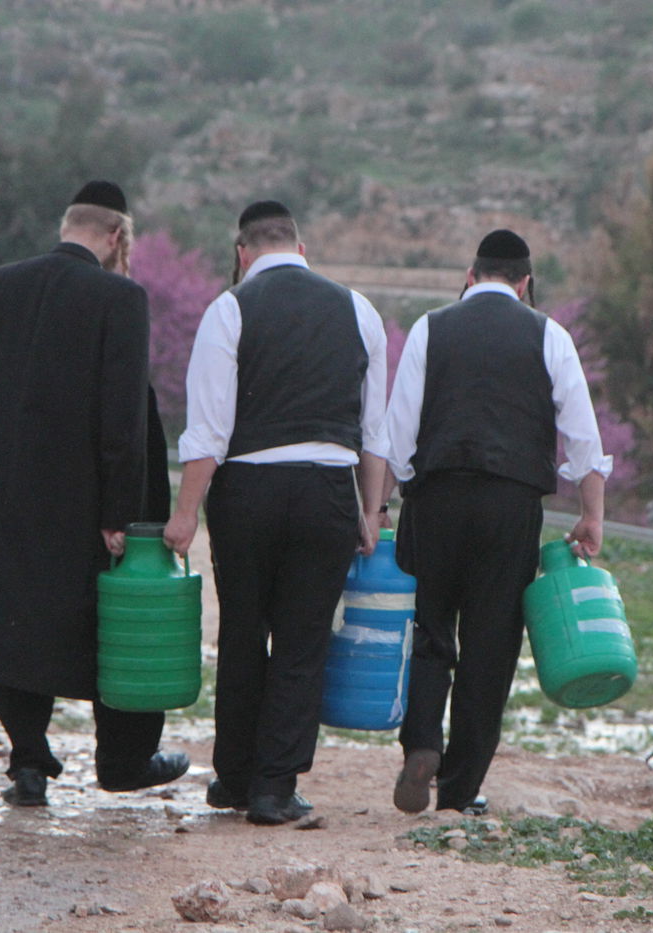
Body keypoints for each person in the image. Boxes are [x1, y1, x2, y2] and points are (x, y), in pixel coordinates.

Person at [0, 180, 189, 807]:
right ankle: (124, 761)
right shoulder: (120, 297)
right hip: (79, 506)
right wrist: (120, 513)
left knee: (9, 624)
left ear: (66, 226)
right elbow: (123, 418)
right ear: (117, 237)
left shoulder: (1, 284)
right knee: (111, 622)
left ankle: (28, 761)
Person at [163, 200, 387, 825]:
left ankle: (231, 778)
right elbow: (375, 434)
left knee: (242, 632)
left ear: (242, 254)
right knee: (301, 639)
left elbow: (207, 431)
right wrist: (371, 510)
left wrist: (185, 515)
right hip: (327, 492)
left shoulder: (229, 308)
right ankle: (274, 789)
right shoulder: (359, 310)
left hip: (248, 492)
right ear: (302, 247)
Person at [379, 228, 611, 816]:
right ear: (525, 283)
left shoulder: (433, 327)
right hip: (511, 504)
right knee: (490, 645)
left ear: (470, 274)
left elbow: (397, 432)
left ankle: (422, 743)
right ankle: (459, 789)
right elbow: (583, 434)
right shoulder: (548, 334)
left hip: (436, 496)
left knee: (432, 630)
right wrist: (591, 514)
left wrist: (388, 501)